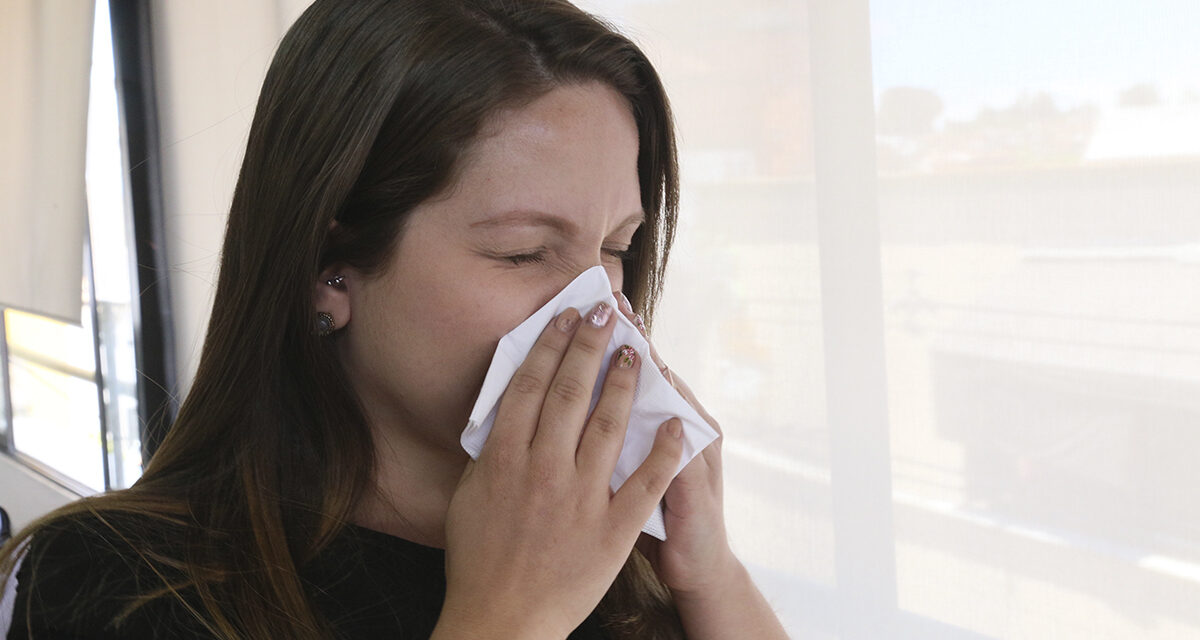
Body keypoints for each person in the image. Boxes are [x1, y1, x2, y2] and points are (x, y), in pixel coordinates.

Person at [0, 0, 788, 638]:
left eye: (616, 247)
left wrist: (708, 574)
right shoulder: (112, 583)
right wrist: (507, 618)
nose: (600, 310)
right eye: (522, 253)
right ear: (327, 268)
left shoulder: (614, 548)